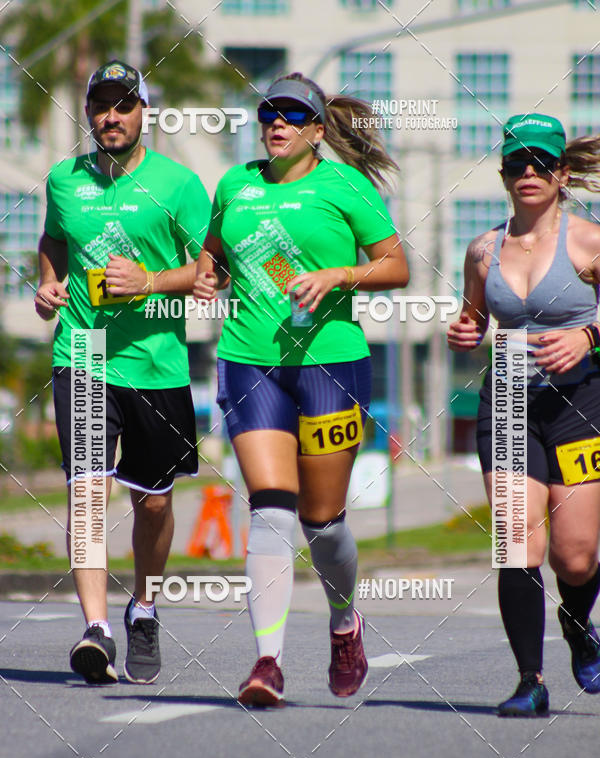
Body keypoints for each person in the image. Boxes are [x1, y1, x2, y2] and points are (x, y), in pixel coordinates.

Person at [194, 72, 409, 706]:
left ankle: (345, 623)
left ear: (318, 130)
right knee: (269, 506)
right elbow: (213, 260)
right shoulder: (235, 185)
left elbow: (397, 265)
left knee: (323, 522)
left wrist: (338, 273)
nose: (277, 123)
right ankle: (268, 661)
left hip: (330, 364)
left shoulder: (344, 185)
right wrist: (206, 277)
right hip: (249, 361)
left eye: (292, 115)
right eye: (268, 114)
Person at [35, 59, 211, 685]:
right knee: (87, 492)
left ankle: (143, 608)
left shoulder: (180, 184)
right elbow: (54, 241)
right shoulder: (63, 180)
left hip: (155, 363)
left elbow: (211, 272)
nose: (111, 116)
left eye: (124, 104)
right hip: (81, 355)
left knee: (154, 503)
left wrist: (152, 281)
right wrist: (49, 283)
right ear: (87, 113)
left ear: (144, 113)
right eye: (101, 105)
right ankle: (96, 628)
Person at [448, 113, 600, 716]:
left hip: (581, 399)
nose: (528, 173)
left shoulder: (590, 241)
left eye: (541, 163)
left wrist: (588, 335)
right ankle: (529, 681)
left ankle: (576, 623)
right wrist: (466, 330)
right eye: (517, 164)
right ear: (505, 174)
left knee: (578, 554)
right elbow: (475, 317)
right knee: (516, 543)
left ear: (561, 173)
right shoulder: (483, 248)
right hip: (508, 389)